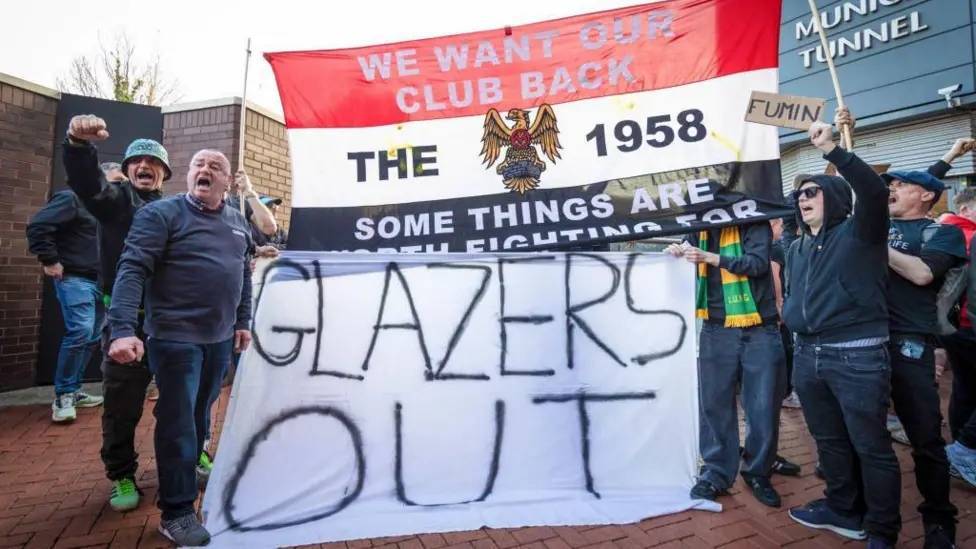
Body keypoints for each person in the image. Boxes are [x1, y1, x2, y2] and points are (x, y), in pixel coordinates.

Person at [108, 148, 253, 546]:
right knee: (178, 424)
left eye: (215, 166)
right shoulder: (161, 215)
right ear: (188, 175)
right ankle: (176, 512)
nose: (205, 170)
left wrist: (243, 321)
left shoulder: (238, 222)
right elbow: (131, 268)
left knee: (200, 417)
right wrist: (122, 329)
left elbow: (243, 273)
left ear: (227, 181)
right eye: (198, 165)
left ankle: (184, 473)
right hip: (174, 340)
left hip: (219, 341)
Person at [784, 114, 901, 548]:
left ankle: (883, 530)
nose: (802, 199)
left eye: (811, 191)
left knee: (870, 446)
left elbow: (873, 191)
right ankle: (843, 510)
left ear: (833, 197)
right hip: (807, 356)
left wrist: (832, 150)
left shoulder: (861, 233)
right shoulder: (798, 247)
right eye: (798, 195)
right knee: (829, 441)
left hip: (856, 357)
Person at [62, 114, 170, 512]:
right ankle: (122, 474)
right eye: (136, 161)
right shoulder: (116, 202)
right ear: (126, 170)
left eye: (153, 162)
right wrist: (78, 146)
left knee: (182, 399)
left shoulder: (177, 210)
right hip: (126, 322)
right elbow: (89, 185)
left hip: (169, 323)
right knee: (122, 405)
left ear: (164, 173)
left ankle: (190, 456)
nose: (144, 166)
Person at [880, 130, 964, 547]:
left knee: (925, 437)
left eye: (901, 185)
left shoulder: (940, 234)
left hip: (909, 344)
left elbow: (921, 274)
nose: (891, 189)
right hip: (863, 343)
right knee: (864, 434)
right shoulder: (876, 222)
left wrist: (874, 242)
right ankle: (871, 510)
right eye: (890, 185)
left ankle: (939, 520)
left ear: (927, 196)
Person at [666, 220, 786, 508]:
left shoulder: (754, 222)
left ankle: (758, 472)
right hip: (715, 327)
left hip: (760, 327)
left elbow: (757, 264)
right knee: (714, 403)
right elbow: (685, 253)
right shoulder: (699, 226)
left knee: (763, 406)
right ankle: (716, 473)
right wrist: (675, 252)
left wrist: (711, 257)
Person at [26, 179, 104, 423]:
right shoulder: (71, 198)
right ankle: (63, 396)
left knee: (93, 336)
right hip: (74, 278)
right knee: (80, 331)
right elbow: (38, 226)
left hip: (101, 282)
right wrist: (49, 259)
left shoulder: (106, 209)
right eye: (117, 182)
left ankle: (74, 389)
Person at [926, 139, 976, 488]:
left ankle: (963, 446)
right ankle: (964, 449)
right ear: (967, 208)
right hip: (966, 324)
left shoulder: (941, 230)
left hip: (949, 327)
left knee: (966, 387)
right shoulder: (964, 236)